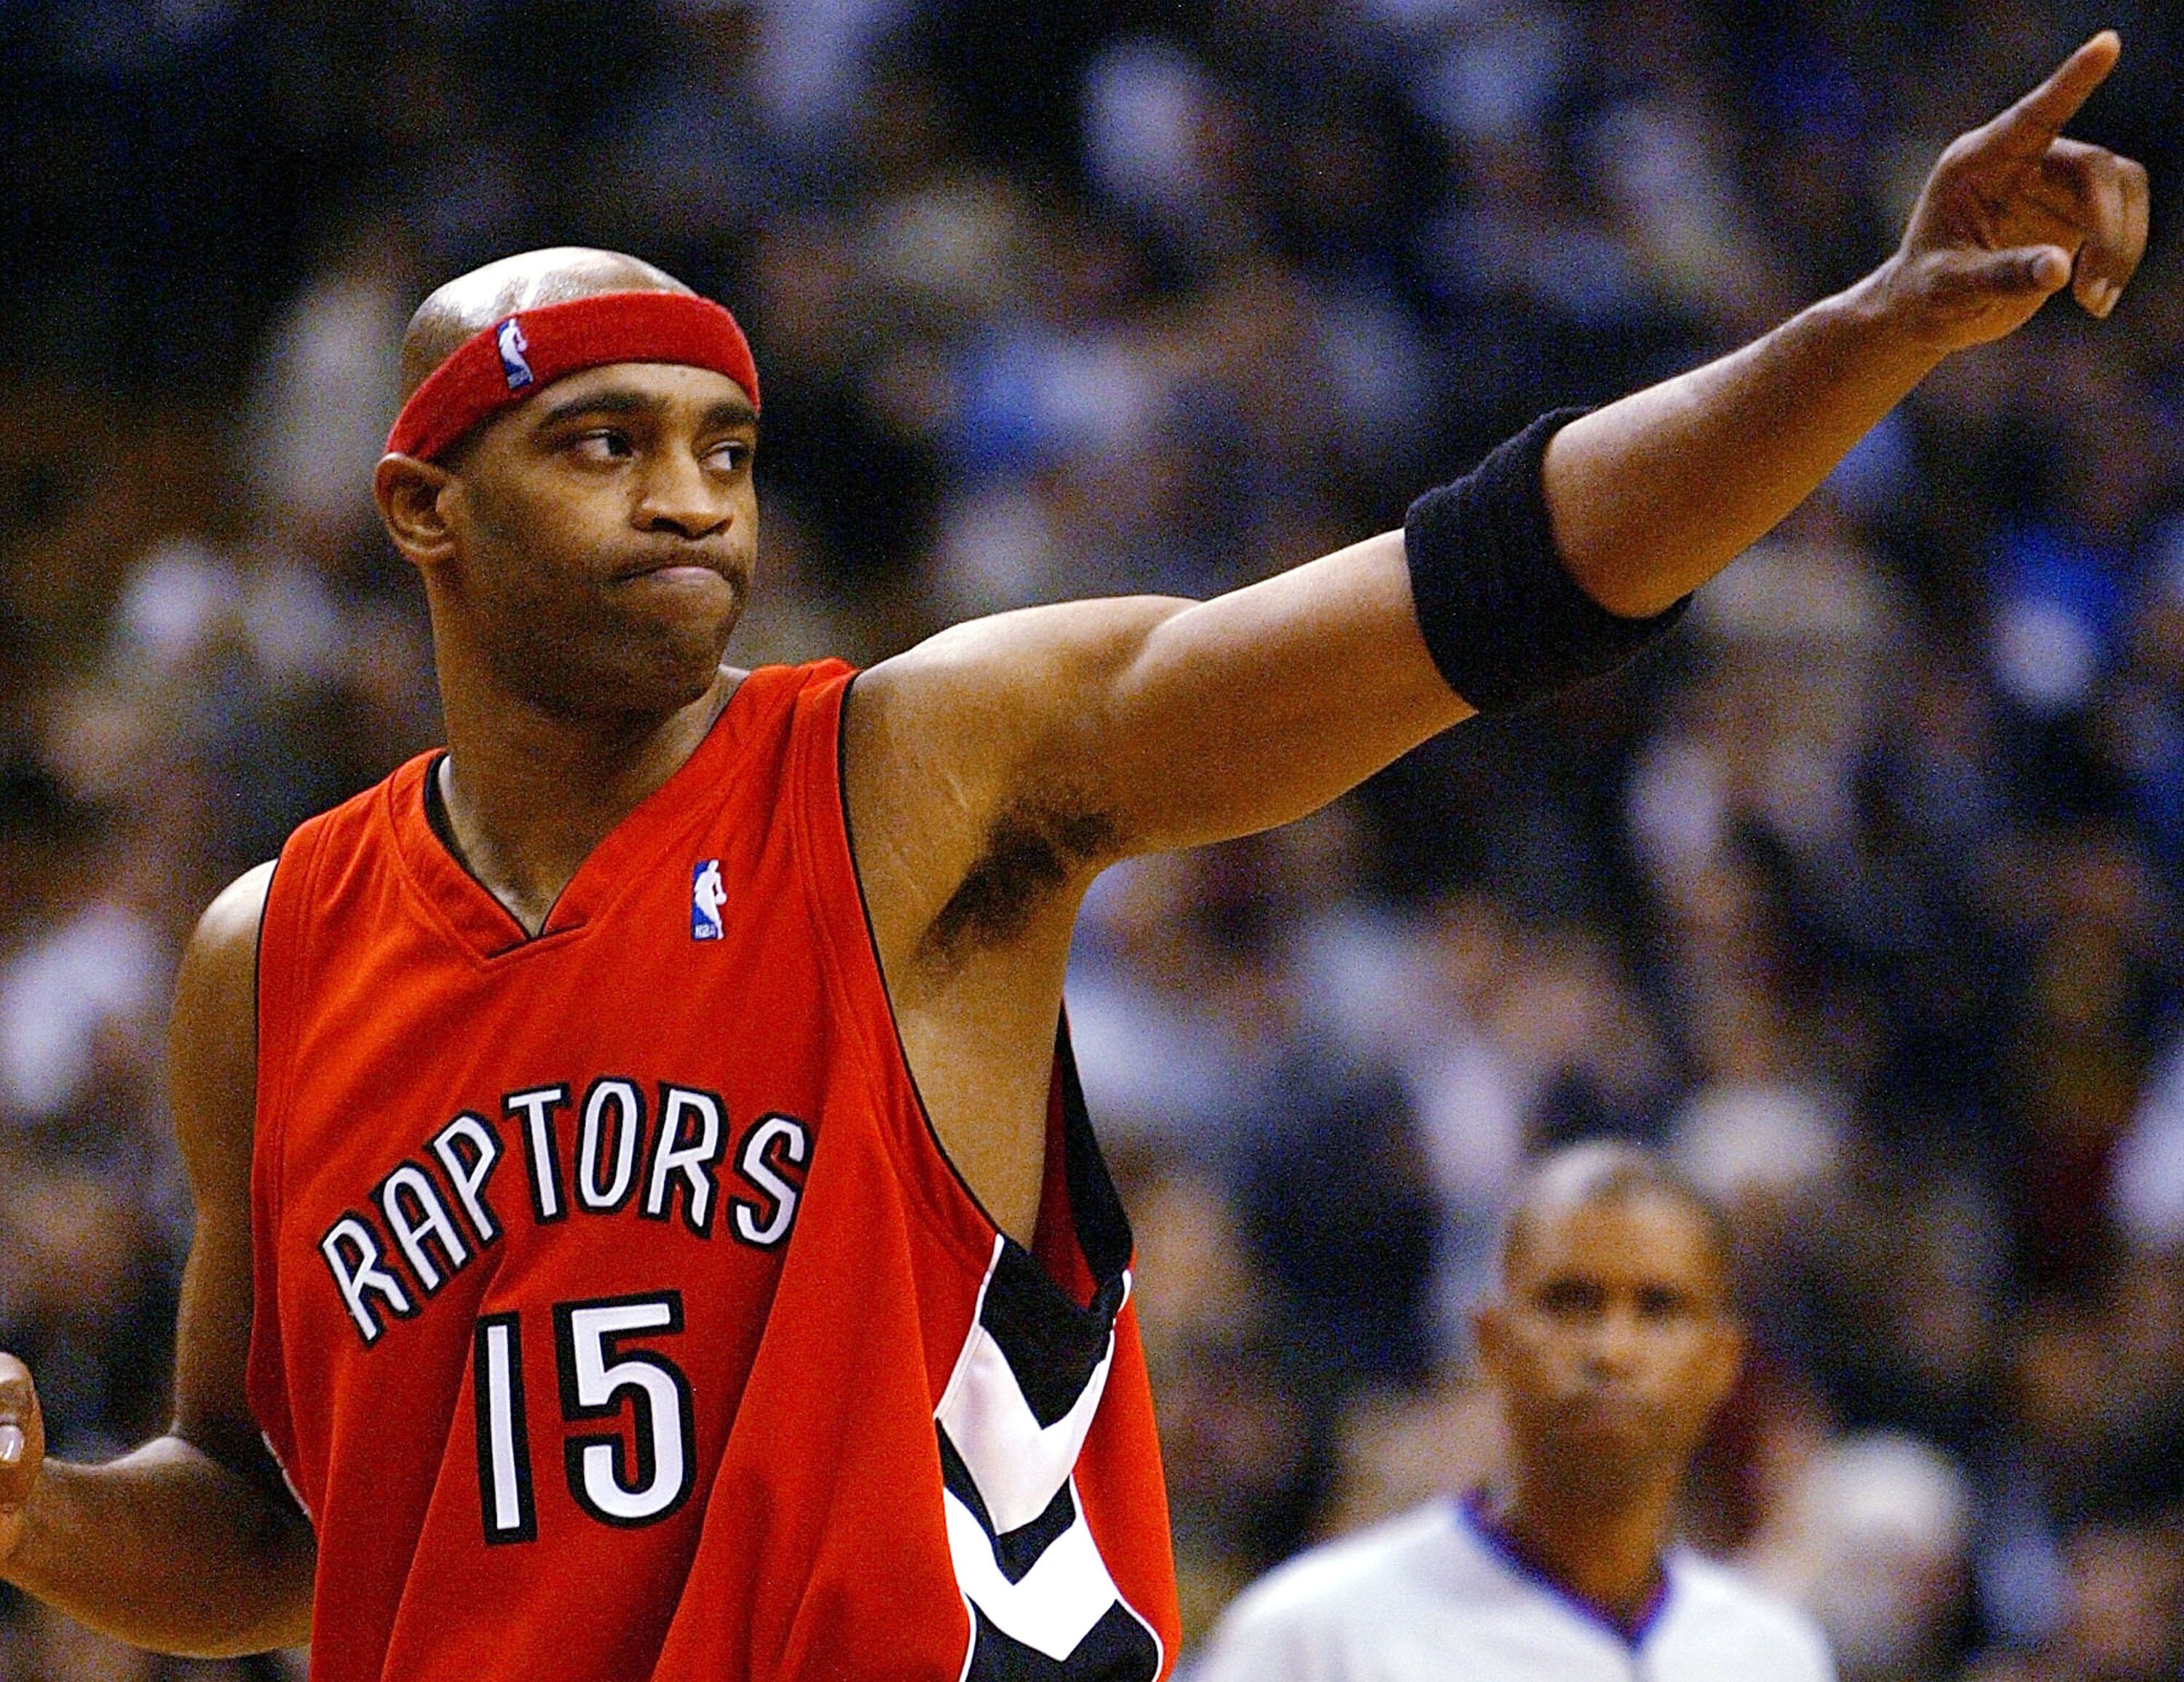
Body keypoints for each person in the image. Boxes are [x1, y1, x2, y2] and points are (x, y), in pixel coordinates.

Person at [0, 30, 2149, 1682]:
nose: (690, 500)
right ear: (420, 513)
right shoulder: (268, 949)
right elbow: (286, 1517)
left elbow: (1471, 591)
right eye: (602, 443)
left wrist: (1870, 328)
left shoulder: (914, 770)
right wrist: (38, 1516)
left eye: (723, 447)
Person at [1192, 1143, 1832, 1681]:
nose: (1612, 1351)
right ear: (1492, 1340)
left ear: (1723, 1359)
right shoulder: (1314, 1635)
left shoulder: (1775, 1654)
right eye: (1570, 1301)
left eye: (1659, 1308)